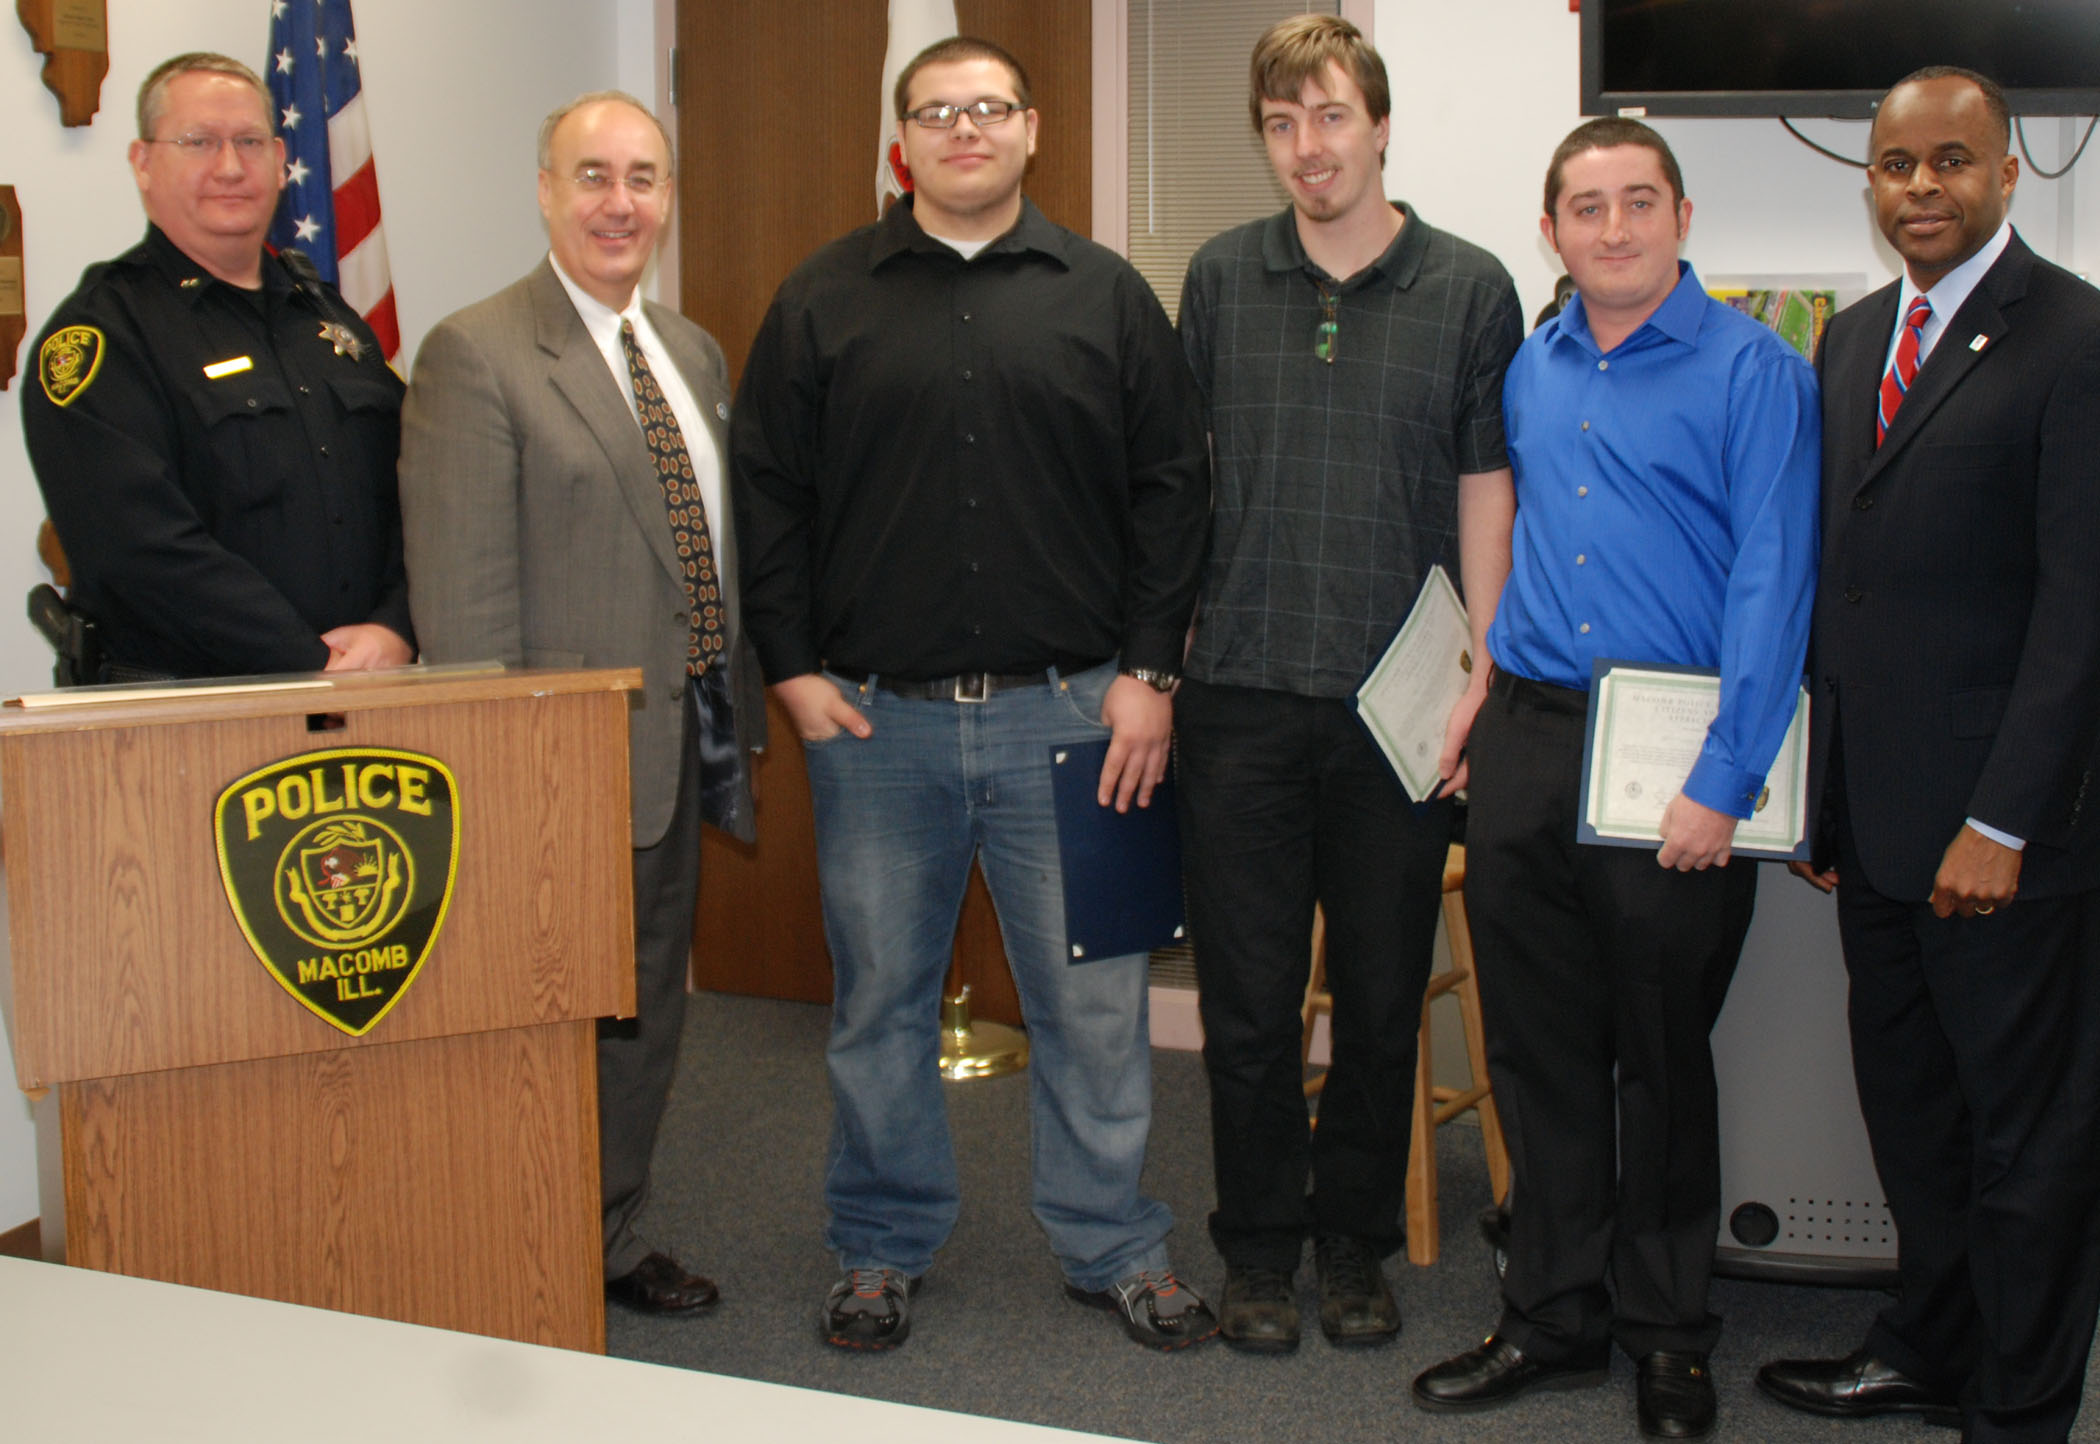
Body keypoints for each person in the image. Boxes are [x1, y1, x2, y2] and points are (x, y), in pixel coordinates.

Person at [731, 36, 1213, 1353]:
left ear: (1030, 128)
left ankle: (1111, 1239)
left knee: (1095, 1006)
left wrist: (1151, 673)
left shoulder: (1106, 296)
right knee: (879, 1001)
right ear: (903, 141)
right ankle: (880, 1243)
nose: (965, 129)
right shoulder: (821, 298)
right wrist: (789, 666)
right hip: (874, 724)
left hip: (1078, 717)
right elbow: (766, 491)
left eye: (988, 107)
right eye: (937, 111)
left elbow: (1175, 489)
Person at [1410, 118, 1819, 1439]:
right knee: (1537, 1053)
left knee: (1660, 1056)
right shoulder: (1535, 365)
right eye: (1587, 207)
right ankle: (1551, 1316)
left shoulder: (1757, 370)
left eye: (1640, 201)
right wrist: (1480, 702)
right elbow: (1512, 538)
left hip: (1673, 755)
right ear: (1553, 230)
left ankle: (1668, 1332)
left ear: (1682, 217)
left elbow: (1774, 582)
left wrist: (1727, 776)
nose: (1615, 227)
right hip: (1531, 736)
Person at [1755, 67, 2100, 1444]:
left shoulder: (2075, 338)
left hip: (2004, 846)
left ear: (2008, 173)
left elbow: (2081, 612)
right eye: (1899, 165)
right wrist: (1824, 803)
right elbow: (1846, 585)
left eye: (1952, 161)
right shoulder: (1852, 341)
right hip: (1878, 833)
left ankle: (2020, 1409)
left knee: (2028, 1141)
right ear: (1872, 182)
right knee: (1914, 1120)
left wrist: (2003, 821)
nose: (1922, 187)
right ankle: (1930, 1348)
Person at [1172, 14, 1521, 1354]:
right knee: (1249, 1004)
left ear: (1379, 125)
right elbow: (1186, 479)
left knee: (1379, 999)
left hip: (1402, 708)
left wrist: (1486, 670)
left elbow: (1486, 485)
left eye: (1329, 117)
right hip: (1241, 695)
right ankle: (1260, 1247)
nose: (1307, 147)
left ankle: (1355, 1243)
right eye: (1281, 123)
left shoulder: (1470, 287)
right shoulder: (1220, 275)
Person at [397, 91, 762, 1317]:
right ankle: (529, 1242)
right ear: (546, 191)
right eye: (593, 176)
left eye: (643, 178)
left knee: (647, 1007)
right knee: (550, 1021)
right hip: (555, 766)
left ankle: (603, 1231)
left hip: (677, 739)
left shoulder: (690, 349)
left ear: (668, 199)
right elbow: (463, 608)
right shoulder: (476, 352)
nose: (620, 203)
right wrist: (508, 786)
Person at [22, 52, 412, 681]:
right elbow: (140, 552)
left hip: (365, 689)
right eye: (198, 142)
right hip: (187, 708)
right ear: (143, 163)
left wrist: (396, 628)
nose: (230, 166)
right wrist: (311, 662)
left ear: (281, 160)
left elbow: (415, 491)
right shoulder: (104, 335)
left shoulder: (330, 319)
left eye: (249, 142)